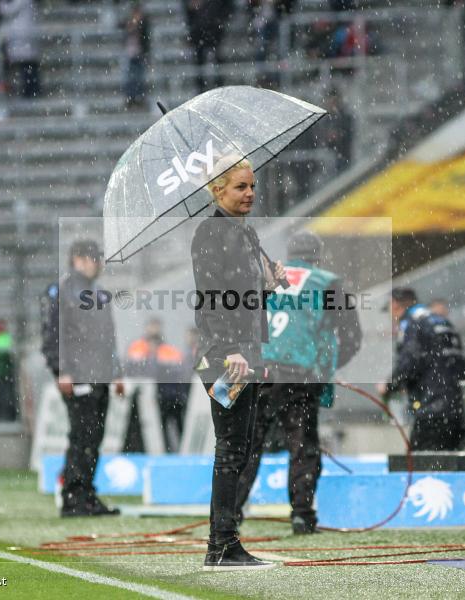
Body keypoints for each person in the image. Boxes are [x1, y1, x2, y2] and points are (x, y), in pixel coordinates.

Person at [235, 229, 361, 535]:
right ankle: (302, 516)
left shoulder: (264, 276)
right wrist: (327, 366)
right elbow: (352, 337)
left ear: (290, 253)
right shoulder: (327, 282)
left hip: (260, 373)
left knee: (248, 446)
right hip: (299, 376)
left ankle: (230, 515)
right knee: (303, 445)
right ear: (317, 255)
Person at [192, 156, 284, 571]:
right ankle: (222, 545)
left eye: (252, 186)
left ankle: (224, 543)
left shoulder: (245, 234)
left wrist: (267, 284)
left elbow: (246, 301)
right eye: (240, 188)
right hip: (226, 355)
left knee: (240, 448)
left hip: (246, 351)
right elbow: (212, 296)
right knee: (231, 449)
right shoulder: (212, 232)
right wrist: (230, 349)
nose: (250, 194)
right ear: (218, 191)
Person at [41, 239, 125, 516]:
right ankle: (73, 496)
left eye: (100, 258)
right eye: (93, 258)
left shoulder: (99, 294)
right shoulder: (62, 291)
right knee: (82, 434)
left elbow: (108, 338)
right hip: (77, 375)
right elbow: (53, 335)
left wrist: (117, 373)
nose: (97, 263)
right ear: (77, 259)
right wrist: (60, 370)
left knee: (94, 436)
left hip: (99, 376)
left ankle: (87, 493)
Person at [378, 287, 465, 451]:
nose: (391, 317)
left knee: (420, 468)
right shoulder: (442, 321)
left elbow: (409, 364)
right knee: (451, 468)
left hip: (432, 410)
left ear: (395, 305)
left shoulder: (413, 324)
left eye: (389, 309)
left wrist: (389, 385)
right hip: (457, 408)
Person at [125, 318, 188, 452]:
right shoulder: (137, 346)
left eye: (156, 326)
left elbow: (177, 372)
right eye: (152, 326)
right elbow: (131, 369)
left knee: (173, 426)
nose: (154, 330)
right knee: (146, 428)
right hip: (142, 397)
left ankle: (173, 452)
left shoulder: (168, 349)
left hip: (167, 396)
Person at [0, 0, 41, 98]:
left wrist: (1, 3)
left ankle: (31, 92)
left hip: (23, 36)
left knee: (28, 66)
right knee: (27, 66)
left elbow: (6, 10)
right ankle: (30, 91)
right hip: (23, 36)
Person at [121, 1, 150, 109]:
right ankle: (131, 99)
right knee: (130, 78)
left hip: (139, 54)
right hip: (130, 54)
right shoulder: (129, 23)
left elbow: (146, 41)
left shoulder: (144, 24)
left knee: (139, 78)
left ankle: (139, 99)